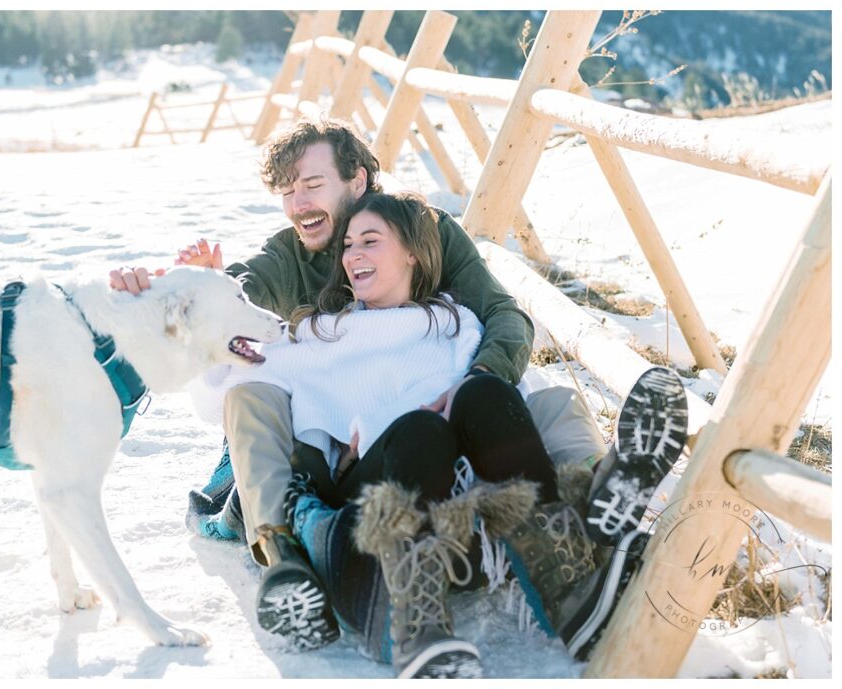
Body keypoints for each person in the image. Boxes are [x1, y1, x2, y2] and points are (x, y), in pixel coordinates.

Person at [110, 118, 662, 655]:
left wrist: (480, 376)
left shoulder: (429, 234)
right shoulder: (292, 261)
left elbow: (501, 315)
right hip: (363, 448)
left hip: (448, 421)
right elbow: (240, 301)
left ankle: (595, 507)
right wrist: (200, 286)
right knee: (256, 398)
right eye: (286, 191)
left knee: (547, 402)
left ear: (357, 180)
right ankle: (284, 549)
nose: (298, 203)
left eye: (312, 184)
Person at [187, 192, 687, 677]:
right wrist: (210, 297)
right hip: (372, 488)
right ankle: (416, 626)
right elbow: (224, 387)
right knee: (421, 429)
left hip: (466, 482)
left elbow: (522, 400)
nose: (351, 256)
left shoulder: (459, 324)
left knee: (486, 392)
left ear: (412, 251)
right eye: (347, 247)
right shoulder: (320, 335)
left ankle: (570, 589)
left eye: (369, 242)